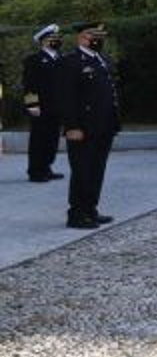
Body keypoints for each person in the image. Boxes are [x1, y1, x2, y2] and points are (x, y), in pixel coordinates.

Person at [56, 22, 120, 229]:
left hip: (104, 125)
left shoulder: (101, 59)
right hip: (82, 127)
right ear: (82, 37)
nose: (99, 39)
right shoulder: (71, 61)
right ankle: (76, 214)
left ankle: (90, 209)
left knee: (97, 170)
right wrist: (71, 126)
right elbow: (66, 97)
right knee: (82, 171)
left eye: (101, 35)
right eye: (94, 35)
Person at [21, 24, 65, 182]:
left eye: (57, 37)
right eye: (53, 38)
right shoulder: (34, 60)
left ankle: (47, 167)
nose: (57, 40)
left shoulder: (60, 58)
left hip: (56, 106)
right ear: (44, 41)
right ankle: (35, 171)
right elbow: (29, 85)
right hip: (41, 107)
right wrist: (32, 105)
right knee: (39, 140)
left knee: (52, 139)